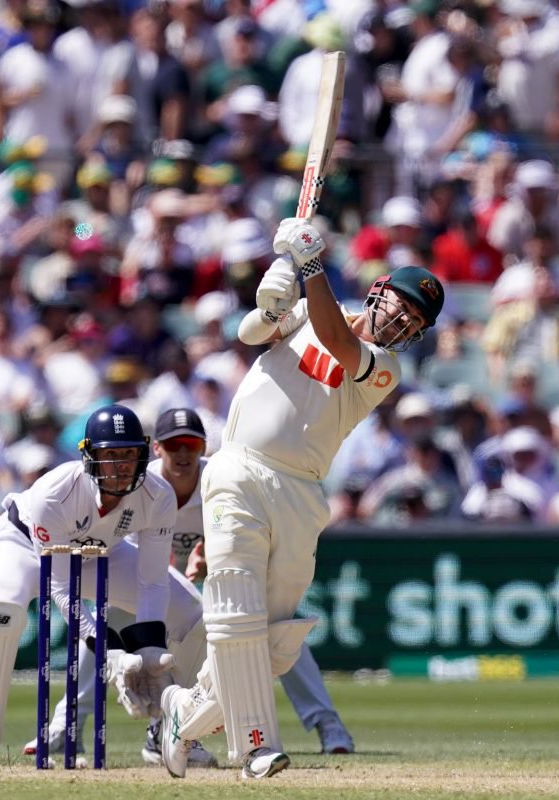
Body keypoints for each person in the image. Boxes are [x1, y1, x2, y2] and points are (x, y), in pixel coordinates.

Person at [158, 219, 445, 779]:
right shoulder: (316, 306)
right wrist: (273, 302)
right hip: (240, 468)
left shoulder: (385, 367)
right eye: (401, 306)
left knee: (275, 640)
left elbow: (339, 342)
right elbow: (248, 335)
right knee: (236, 612)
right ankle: (256, 746)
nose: (402, 321)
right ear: (378, 290)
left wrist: (308, 265)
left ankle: (184, 712)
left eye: (414, 321)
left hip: (301, 492)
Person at [0, 404, 204, 769]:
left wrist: (149, 652)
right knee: (0, 614)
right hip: (22, 545)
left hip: (100, 552)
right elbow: (60, 588)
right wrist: (110, 653)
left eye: (129, 455)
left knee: (191, 611)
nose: (121, 466)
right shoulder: (54, 492)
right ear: (89, 456)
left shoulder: (158, 495)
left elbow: (152, 583)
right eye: (111, 455)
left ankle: (171, 727)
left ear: (143, 454)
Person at [155, 408, 356, 758]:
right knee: (103, 626)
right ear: (157, 448)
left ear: (204, 447)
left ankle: (328, 724)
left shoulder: (220, 478)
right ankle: (68, 728)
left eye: (191, 443)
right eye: (174, 445)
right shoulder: (144, 486)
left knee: (277, 629)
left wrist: (210, 559)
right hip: (156, 589)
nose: (183, 453)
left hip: (215, 589)